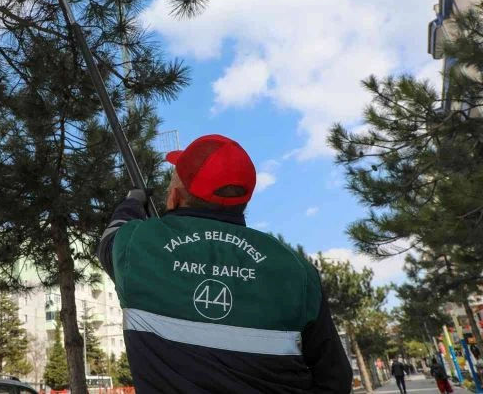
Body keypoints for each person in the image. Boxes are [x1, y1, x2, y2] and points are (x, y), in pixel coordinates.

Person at [97, 134, 353, 393]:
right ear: (243, 201)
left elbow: (110, 238)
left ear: (174, 196)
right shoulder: (295, 269)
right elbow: (335, 377)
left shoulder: (139, 246)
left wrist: (132, 202)